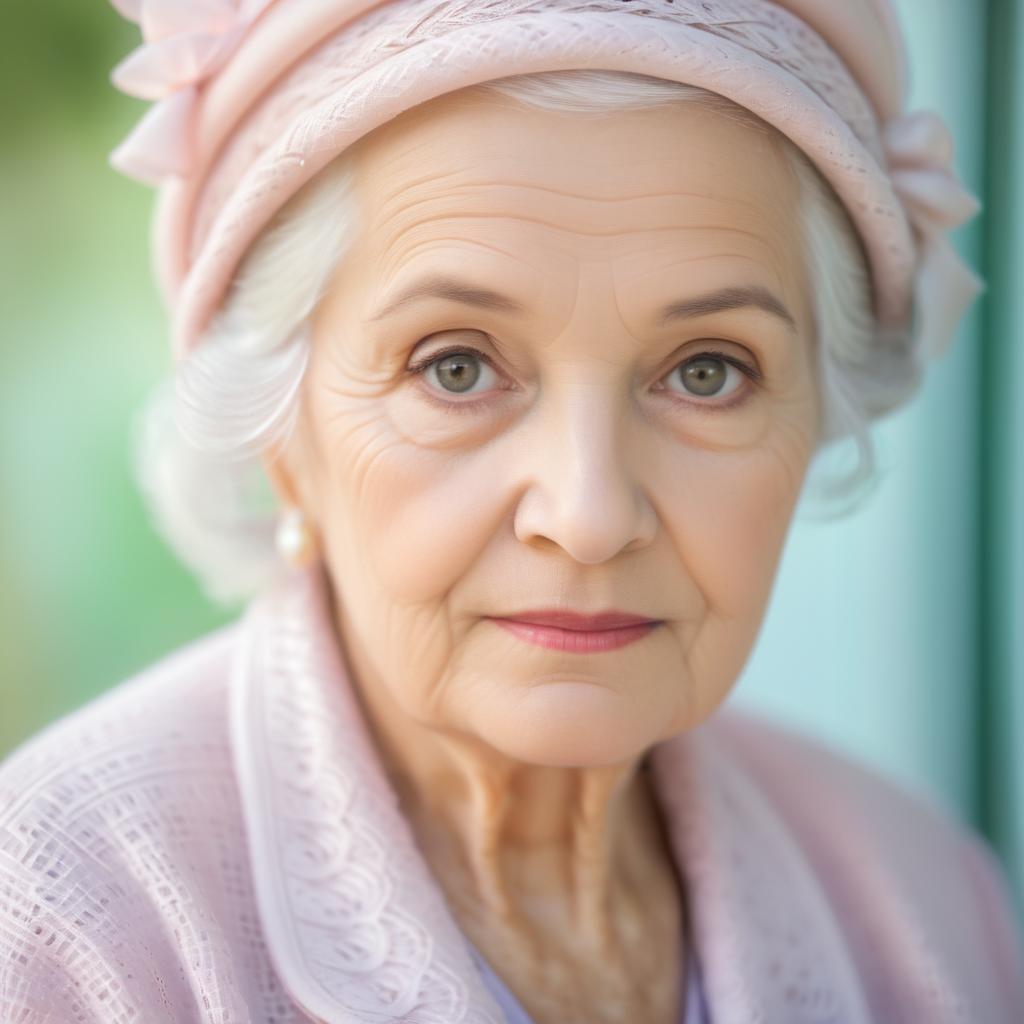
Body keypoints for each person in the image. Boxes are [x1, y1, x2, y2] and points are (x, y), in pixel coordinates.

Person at [1, 2, 1022, 1022]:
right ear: (282, 437)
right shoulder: (65, 919)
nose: (587, 514)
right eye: (456, 366)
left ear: (818, 417)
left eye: (707, 373)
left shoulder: (928, 902)